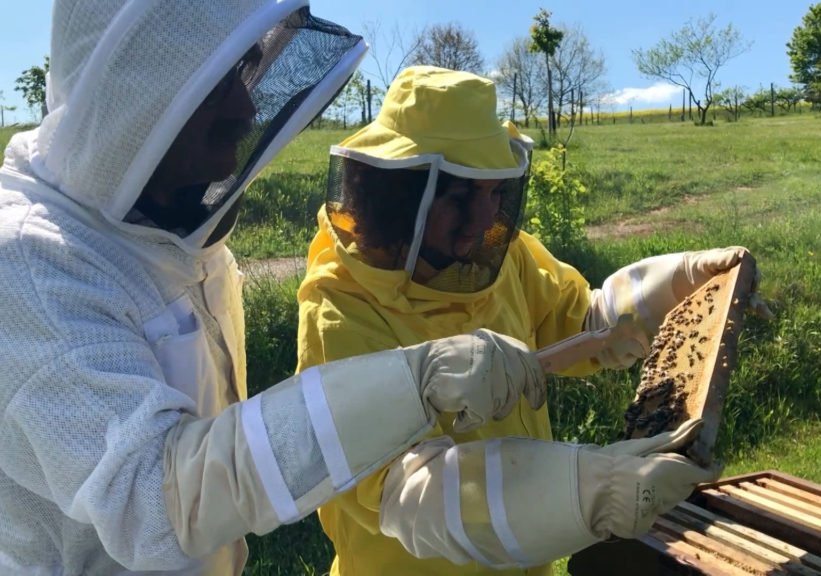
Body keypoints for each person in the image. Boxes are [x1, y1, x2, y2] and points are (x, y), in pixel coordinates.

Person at [0, 4, 547, 575]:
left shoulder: (169, 231)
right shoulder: (30, 264)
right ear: (132, 96)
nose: (245, 106)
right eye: (215, 85)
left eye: (244, 72)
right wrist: (408, 385)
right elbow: (160, 501)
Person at [297, 65, 772, 575]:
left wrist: (681, 281)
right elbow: (403, 491)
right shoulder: (340, 311)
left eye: (493, 193)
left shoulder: (501, 259)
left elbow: (584, 322)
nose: (484, 220)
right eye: (461, 196)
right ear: (398, 198)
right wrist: (587, 491)